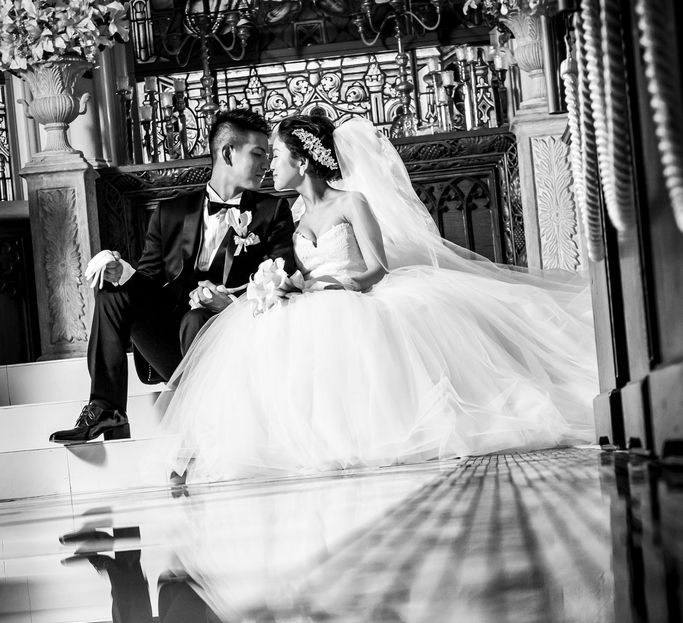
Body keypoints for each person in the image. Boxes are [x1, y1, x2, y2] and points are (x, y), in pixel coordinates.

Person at [156, 114, 599, 481]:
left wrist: (340, 287)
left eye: (275, 156)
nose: (270, 166)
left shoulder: (352, 203)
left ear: (303, 162)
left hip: (355, 295)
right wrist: (275, 286)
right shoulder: (292, 214)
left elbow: (377, 268)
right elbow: (293, 269)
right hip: (312, 300)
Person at [50, 108, 295, 445]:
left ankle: (206, 426)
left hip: (230, 341)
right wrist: (121, 271)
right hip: (170, 343)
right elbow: (148, 282)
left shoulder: (272, 211)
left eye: (267, 155)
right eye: (258, 154)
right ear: (227, 153)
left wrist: (230, 303)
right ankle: (106, 409)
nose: (266, 164)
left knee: (197, 318)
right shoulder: (171, 212)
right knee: (112, 291)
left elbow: (282, 278)